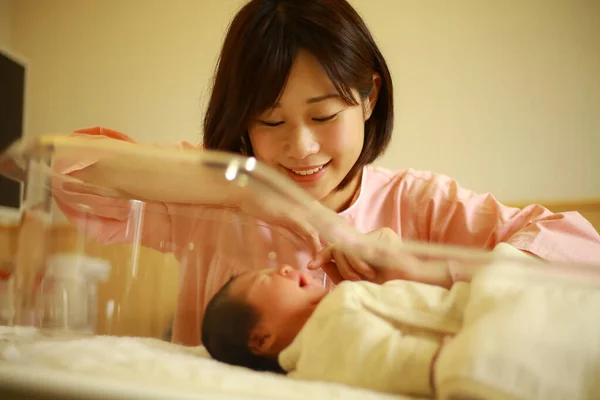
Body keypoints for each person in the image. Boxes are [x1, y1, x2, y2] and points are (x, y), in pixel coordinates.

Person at [48, 0, 600, 346]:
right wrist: (244, 192)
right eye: (269, 120)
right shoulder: (207, 193)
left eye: (323, 115)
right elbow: (69, 169)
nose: (301, 146)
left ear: (368, 97)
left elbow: (581, 251)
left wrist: (426, 269)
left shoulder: (421, 202)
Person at [200, 263, 468, 397]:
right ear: (261, 339)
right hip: (469, 341)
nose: (283, 267)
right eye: (266, 278)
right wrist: (445, 364)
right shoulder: (320, 343)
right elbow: (380, 357)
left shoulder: (337, 304)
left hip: (470, 304)